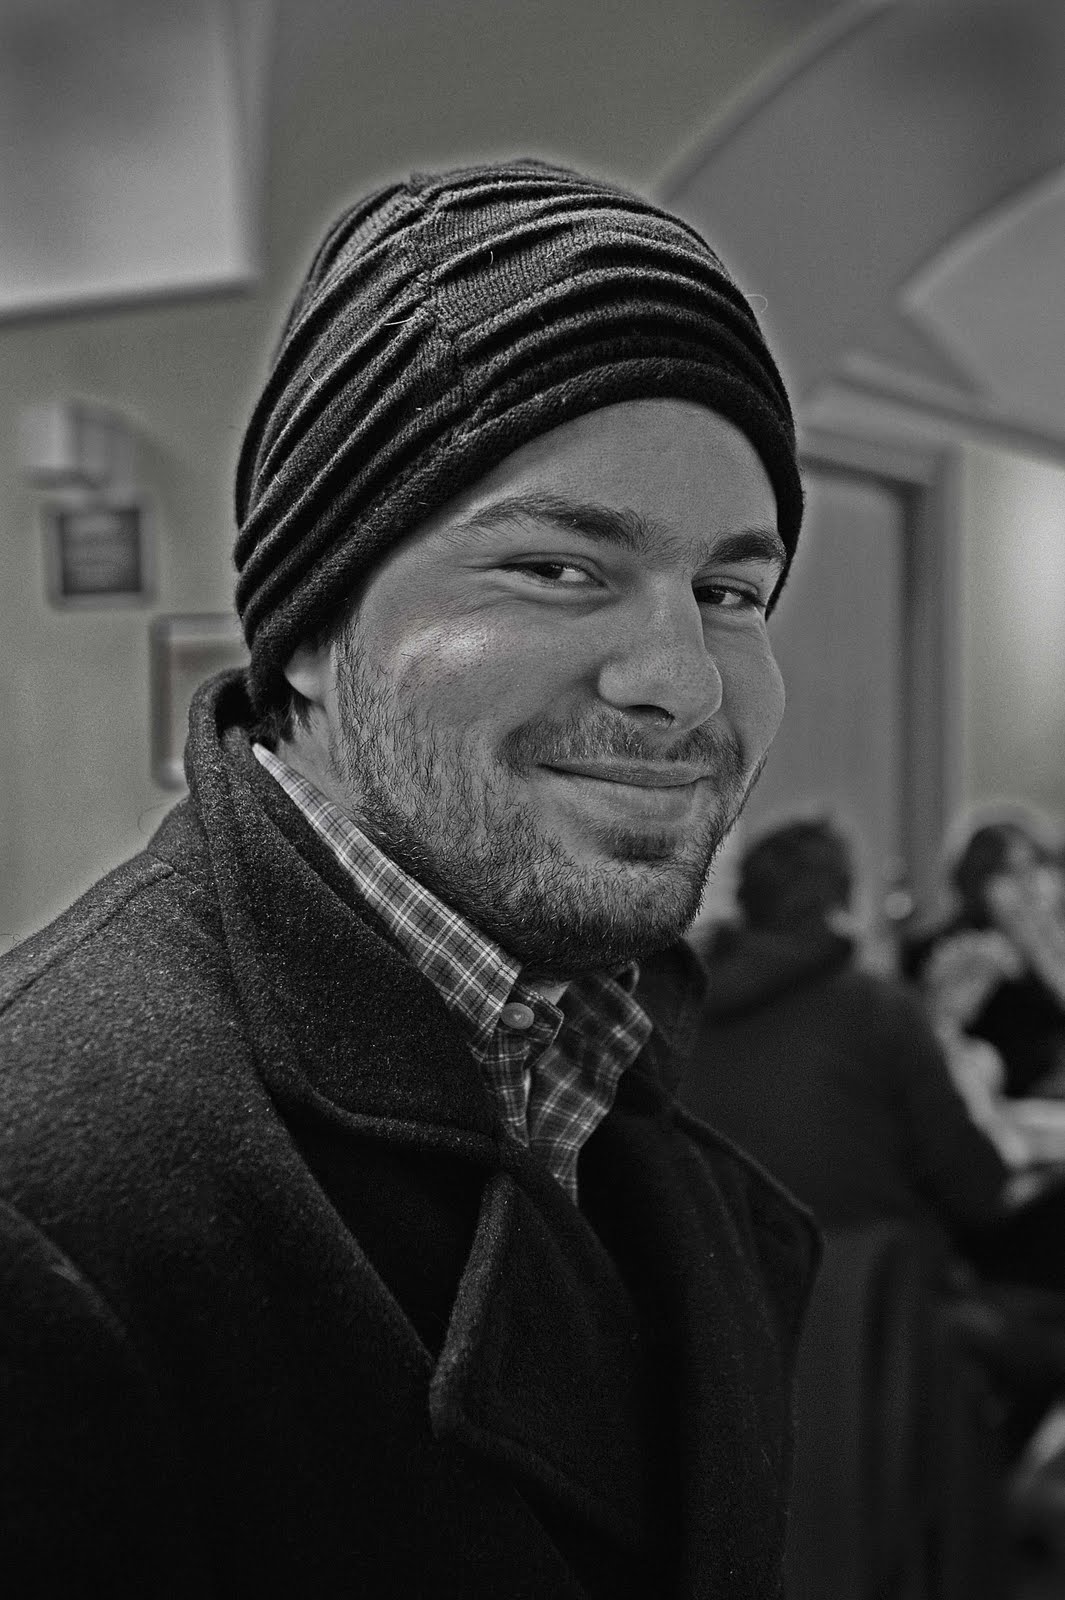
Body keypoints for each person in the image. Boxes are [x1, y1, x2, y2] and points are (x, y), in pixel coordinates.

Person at [0, 160, 818, 1599]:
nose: (683, 681)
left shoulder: (597, 1068)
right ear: (314, 629)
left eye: (728, 592)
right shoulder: (48, 1197)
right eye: (558, 569)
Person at [682, 818, 1015, 1246]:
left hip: (724, 1268)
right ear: (842, 907)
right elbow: (975, 1186)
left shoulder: (682, 1005)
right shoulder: (878, 1010)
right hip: (866, 1276)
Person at [904, 819, 1065, 1099]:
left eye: (1033, 869)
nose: (1028, 886)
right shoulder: (953, 948)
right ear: (978, 881)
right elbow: (932, 1038)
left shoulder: (1045, 944)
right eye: (1010, 872)